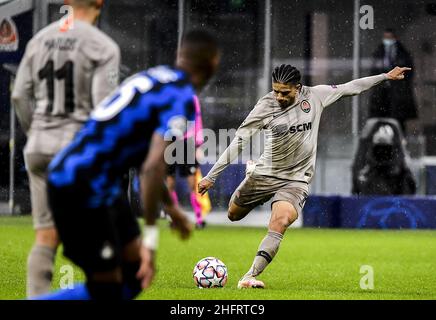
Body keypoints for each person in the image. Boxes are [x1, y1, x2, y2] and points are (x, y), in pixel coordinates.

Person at [32, 30, 220, 300]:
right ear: (213, 63)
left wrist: (171, 208)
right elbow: (153, 168)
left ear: (181, 56)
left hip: (100, 184)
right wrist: (152, 243)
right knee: (108, 287)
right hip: (78, 185)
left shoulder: (153, 77)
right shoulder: (181, 96)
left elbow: (143, 159)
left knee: (133, 279)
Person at [198, 64, 411, 289]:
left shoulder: (316, 96)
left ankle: (249, 276)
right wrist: (212, 176)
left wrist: (385, 76)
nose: (279, 96)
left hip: (296, 179)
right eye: (276, 91)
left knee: (280, 221)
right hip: (265, 173)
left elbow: (352, 87)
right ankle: (252, 176)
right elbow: (239, 142)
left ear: (298, 88)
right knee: (233, 215)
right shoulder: (265, 106)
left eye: (285, 92)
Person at [11, 0, 120, 298]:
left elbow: (20, 95)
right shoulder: (103, 46)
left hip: (39, 148)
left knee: (45, 237)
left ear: (67, 2)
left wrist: (36, 132)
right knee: (96, 238)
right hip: (76, 151)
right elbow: (102, 108)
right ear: (99, 2)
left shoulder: (40, 39)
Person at [166, 95, 207, 229]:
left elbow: (197, 118)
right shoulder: (168, 95)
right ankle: (174, 218)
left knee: (192, 183)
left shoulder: (192, 97)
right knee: (170, 182)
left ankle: (199, 219)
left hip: (187, 143)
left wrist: (198, 144)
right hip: (170, 141)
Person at [369, 28, 418, 134]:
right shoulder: (378, 53)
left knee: (398, 121)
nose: (388, 40)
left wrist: (398, 85)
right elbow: (373, 70)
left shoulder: (403, 53)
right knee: (381, 122)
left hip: (398, 94)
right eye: (386, 37)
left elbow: (409, 72)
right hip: (381, 93)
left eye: (390, 37)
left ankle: (400, 143)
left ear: (395, 38)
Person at [352, 118, 416, 195]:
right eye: (378, 149)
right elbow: (357, 187)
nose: (382, 153)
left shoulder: (401, 174)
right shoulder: (365, 175)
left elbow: (410, 188)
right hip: (372, 196)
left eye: (387, 149)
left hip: (395, 197)